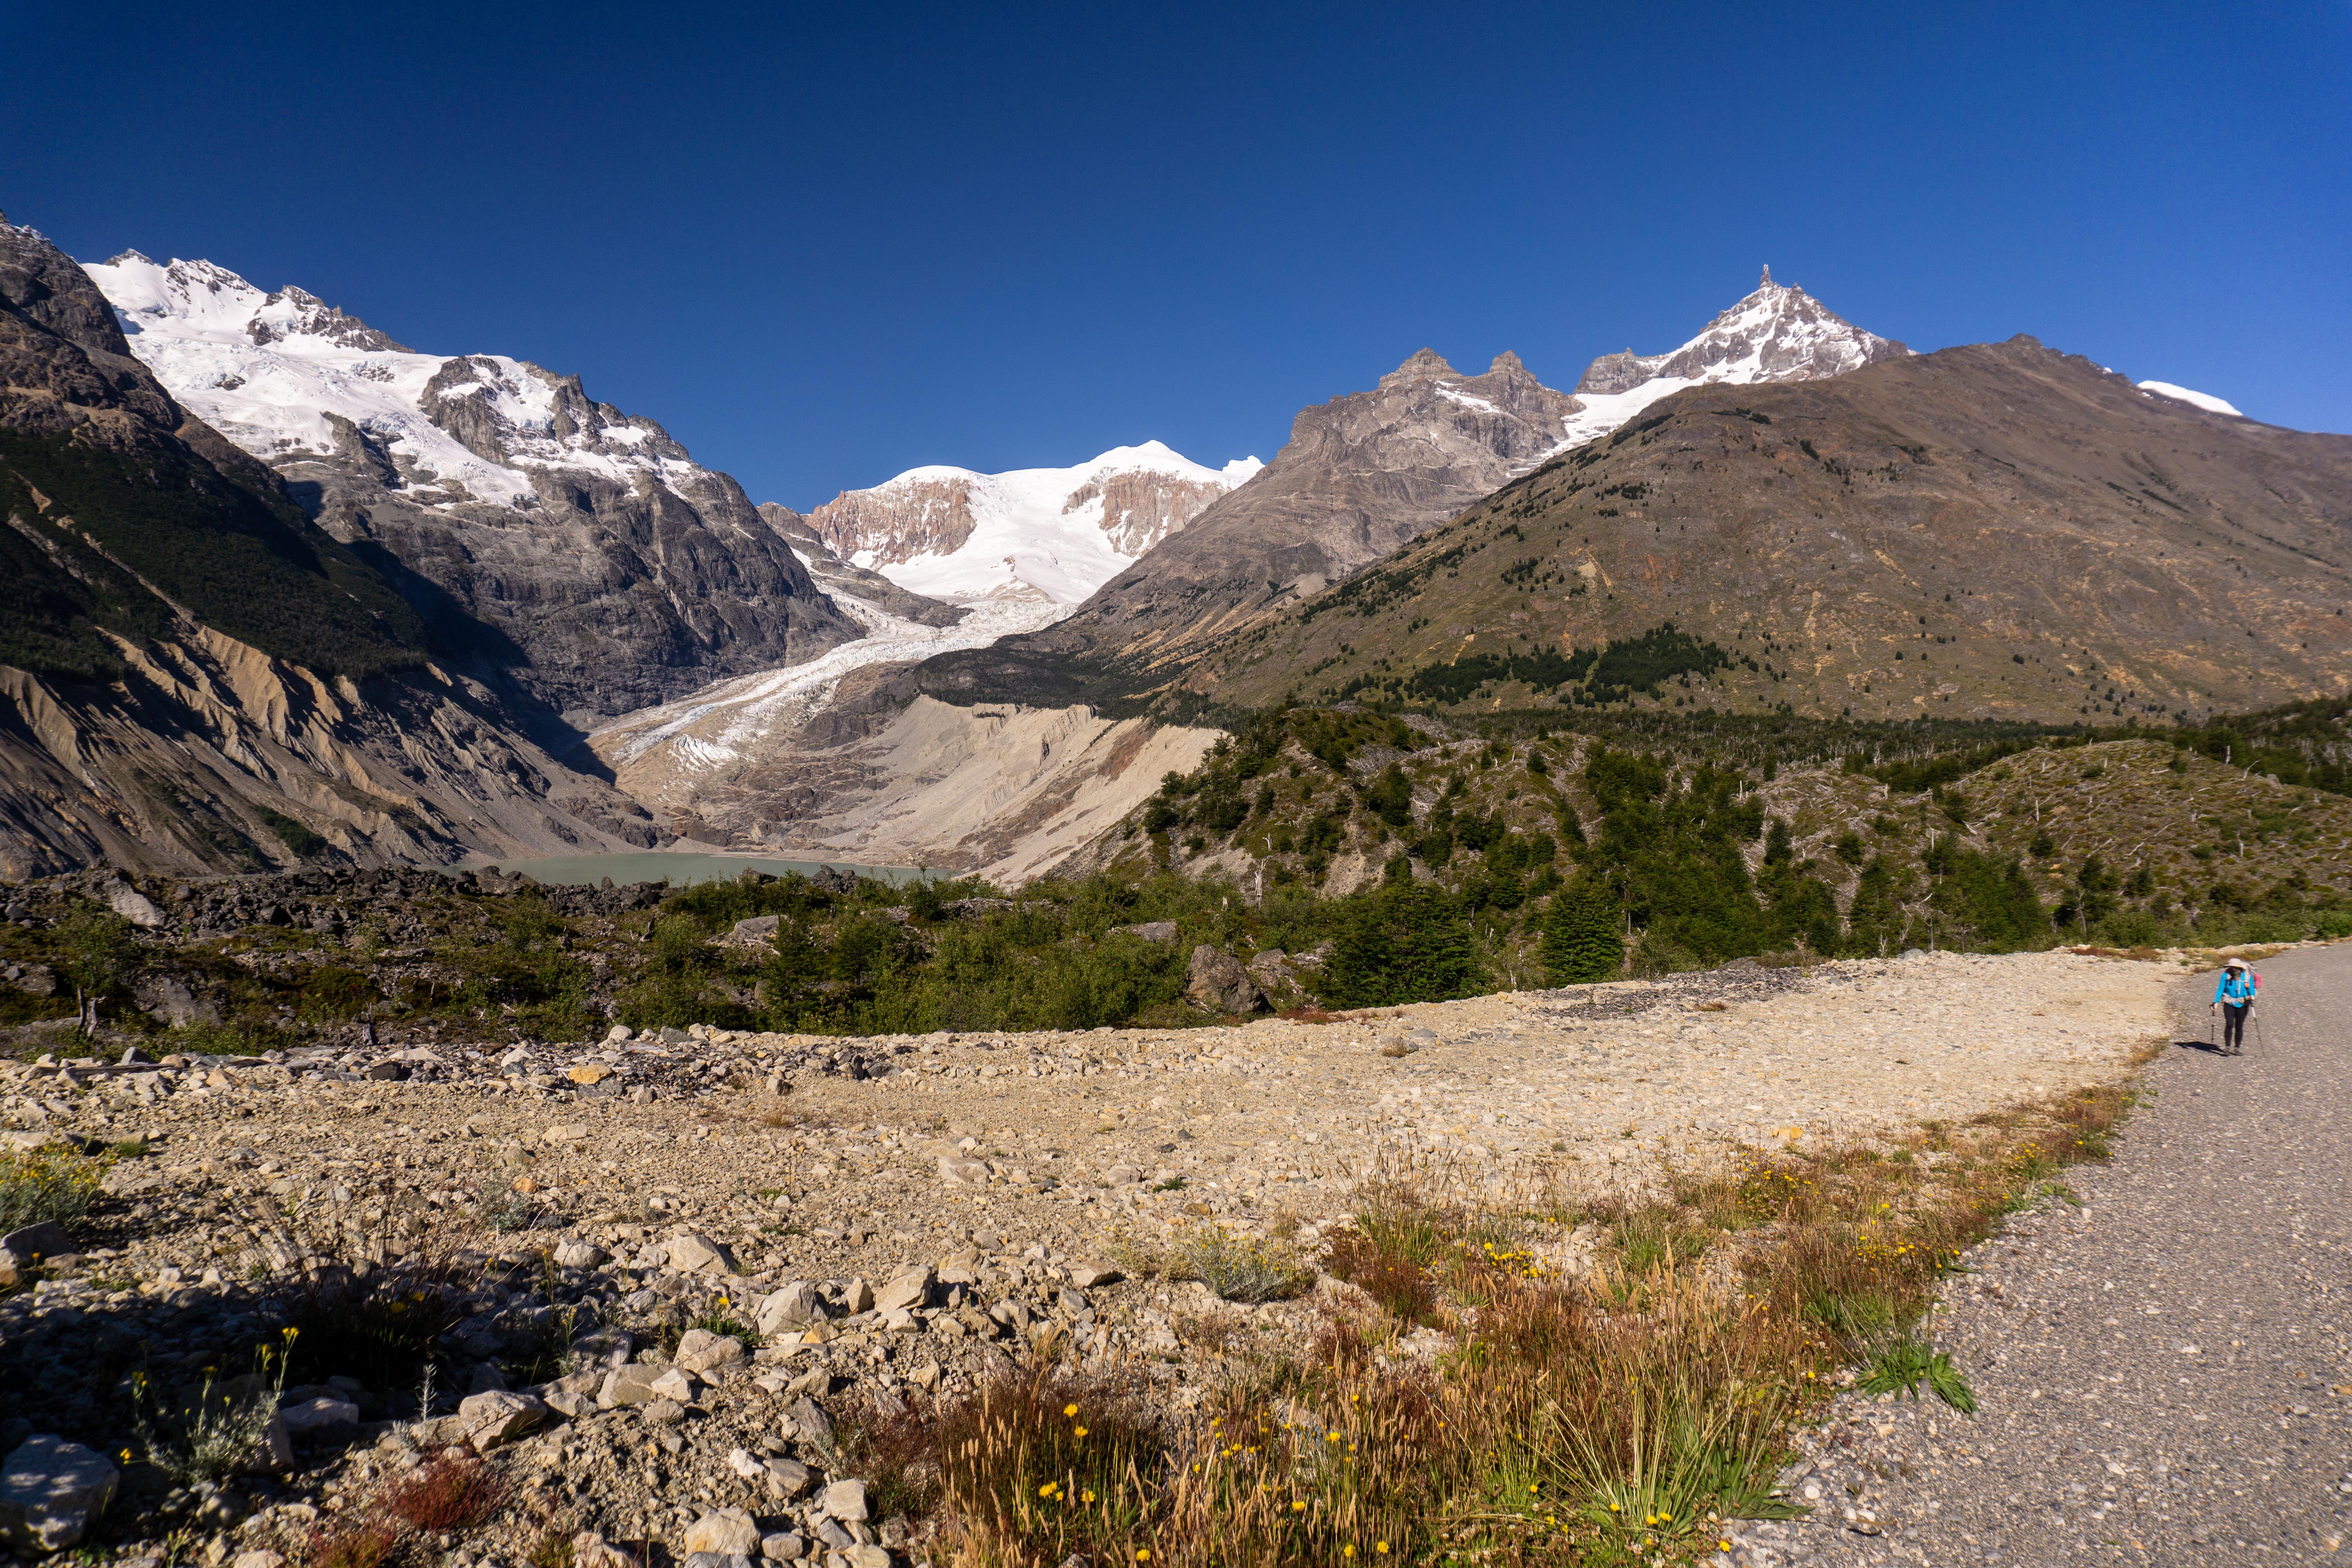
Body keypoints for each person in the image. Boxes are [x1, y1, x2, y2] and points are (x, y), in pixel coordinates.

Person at [2210, 956, 2259, 1055]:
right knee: (2230, 1024)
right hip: (2229, 1002)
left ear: (2240, 968)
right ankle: (2227, 1047)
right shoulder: (2225, 976)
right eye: (2232, 968)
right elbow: (2221, 989)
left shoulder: (2247, 977)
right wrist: (2216, 1002)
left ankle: (2237, 1048)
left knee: (2239, 1026)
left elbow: (2252, 989)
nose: (2234, 970)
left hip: (2243, 1003)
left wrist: (2252, 996)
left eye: (2235, 968)